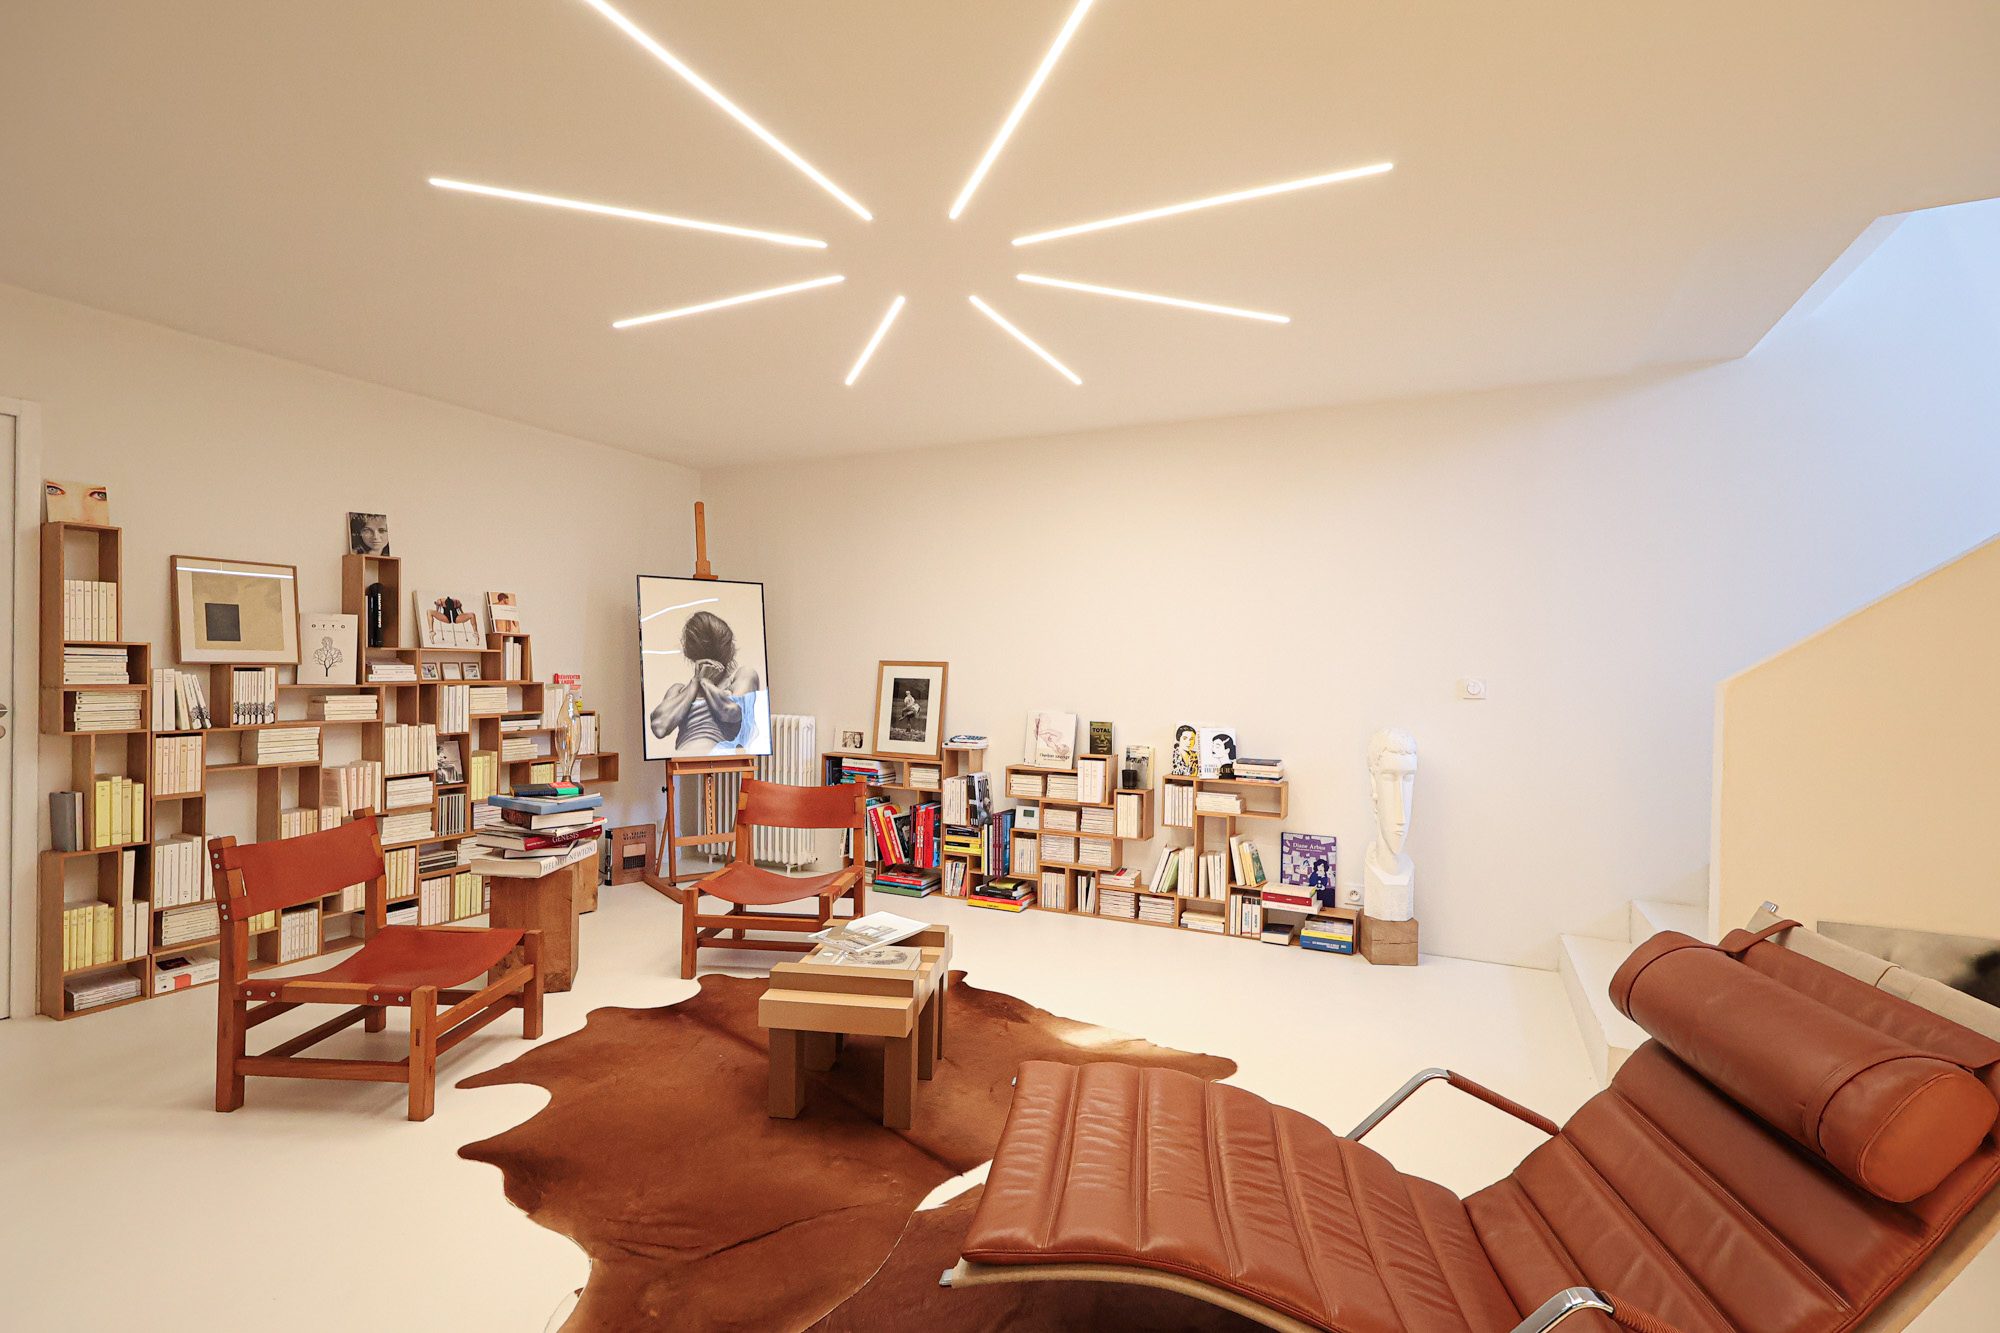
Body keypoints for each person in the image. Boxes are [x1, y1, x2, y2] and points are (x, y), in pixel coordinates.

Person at [650, 610, 765, 754]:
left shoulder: (743, 676)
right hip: (684, 760)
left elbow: (731, 712)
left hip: (722, 758)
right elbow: (659, 728)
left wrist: (705, 682)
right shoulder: (678, 690)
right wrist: (696, 682)